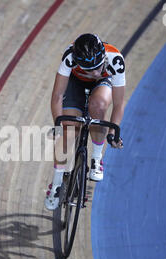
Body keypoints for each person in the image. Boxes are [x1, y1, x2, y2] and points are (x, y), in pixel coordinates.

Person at [45, 33, 126, 211]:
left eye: (98, 67)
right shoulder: (69, 58)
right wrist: (58, 126)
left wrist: (113, 133)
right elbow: (57, 96)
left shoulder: (115, 60)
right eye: (89, 70)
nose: (95, 73)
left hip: (103, 84)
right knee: (68, 132)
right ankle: (56, 185)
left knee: (98, 106)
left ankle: (97, 158)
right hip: (76, 83)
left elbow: (119, 103)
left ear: (103, 57)